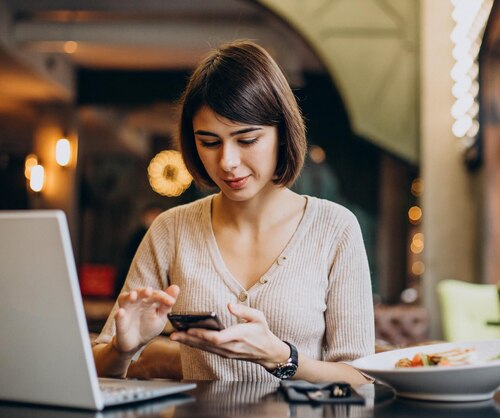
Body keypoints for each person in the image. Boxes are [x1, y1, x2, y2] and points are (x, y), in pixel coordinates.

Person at [92, 40, 374, 383]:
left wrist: (280, 357)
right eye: (209, 142)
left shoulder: (335, 228)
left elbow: (361, 377)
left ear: (282, 134)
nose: (227, 162)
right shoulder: (171, 230)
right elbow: (100, 368)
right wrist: (122, 349)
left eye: (247, 140)